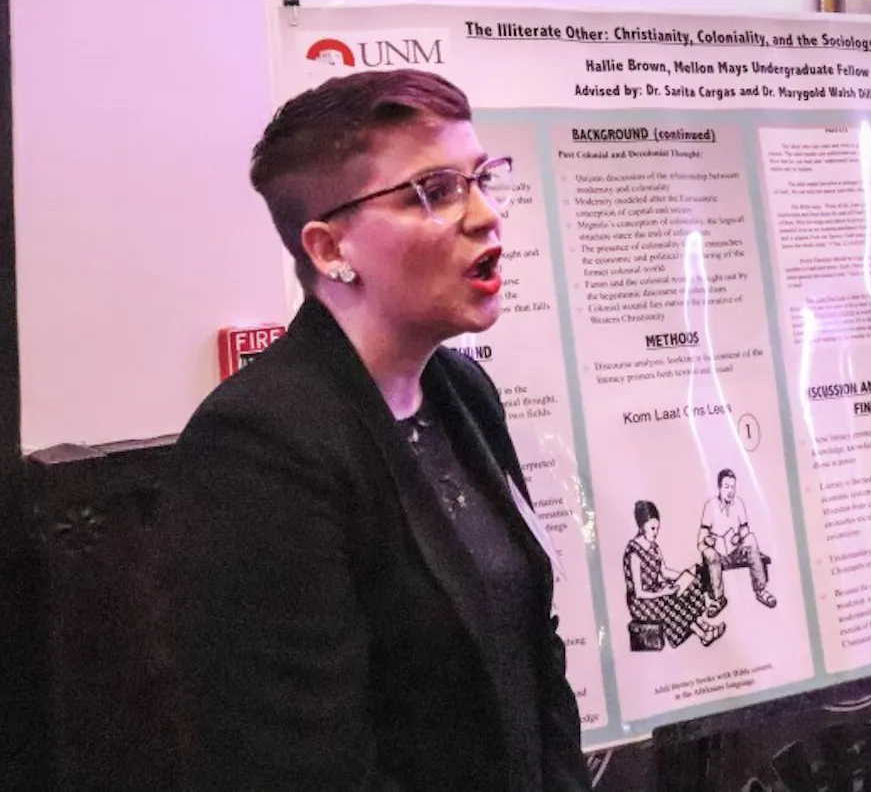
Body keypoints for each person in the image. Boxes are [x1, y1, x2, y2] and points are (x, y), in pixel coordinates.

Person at [163, 69, 589, 791]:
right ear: (331, 250)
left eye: (483, 178)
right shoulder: (259, 444)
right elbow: (299, 764)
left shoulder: (463, 391)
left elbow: (533, 652)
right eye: (437, 191)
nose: (486, 215)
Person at [623, 500, 725, 648]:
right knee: (671, 600)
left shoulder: (654, 547)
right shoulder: (634, 552)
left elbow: (664, 572)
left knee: (685, 590)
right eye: (652, 528)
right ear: (641, 526)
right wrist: (664, 592)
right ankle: (703, 635)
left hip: (655, 590)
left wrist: (685, 576)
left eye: (657, 528)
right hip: (641, 603)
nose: (655, 532)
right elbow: (638, 593)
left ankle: (705, 626)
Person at [697, 468, 776, 611]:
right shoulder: (710, 506)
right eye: (726, 487)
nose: (730, 491)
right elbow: (701, 539)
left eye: (733, 487)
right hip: (717, 553)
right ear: (719, 488)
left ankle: (760, 590)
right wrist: (709, 540)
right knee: (710, 554)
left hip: (734, 550)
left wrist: (739, 537)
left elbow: (745, 529)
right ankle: (718, 599)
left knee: (751, 539)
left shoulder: (738, 503)